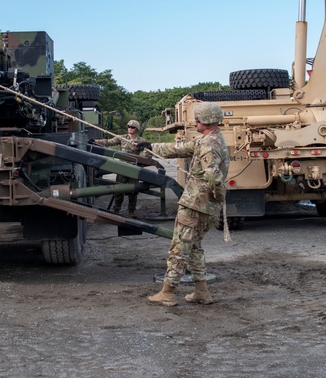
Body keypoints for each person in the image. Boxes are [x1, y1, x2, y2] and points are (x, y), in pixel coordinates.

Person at [146, 102, 229, 307]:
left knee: (179, 248)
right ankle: (202, 292)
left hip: (196, 206)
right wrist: (150, 147)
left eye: (198, 119)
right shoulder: (210, 140)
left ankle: (168, 292)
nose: (195, 122)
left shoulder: (209, 144)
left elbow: (214, 177)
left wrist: (216, 196)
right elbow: (180, 148)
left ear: (206, 121)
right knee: (193, 248)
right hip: (203, 207)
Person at [93, 119, 147, 217]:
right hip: (122, 167)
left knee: (133, 191)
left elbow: (146, 154)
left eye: (132, 127)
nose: (130, 128)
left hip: (133, 168)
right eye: (129, 126)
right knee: (118, 190)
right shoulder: (122, 138)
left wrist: (142, 162)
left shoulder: (141, 141)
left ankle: (131, 211)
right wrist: (95, 141)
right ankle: (116, 210)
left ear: (137, 129)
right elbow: (109, 142)